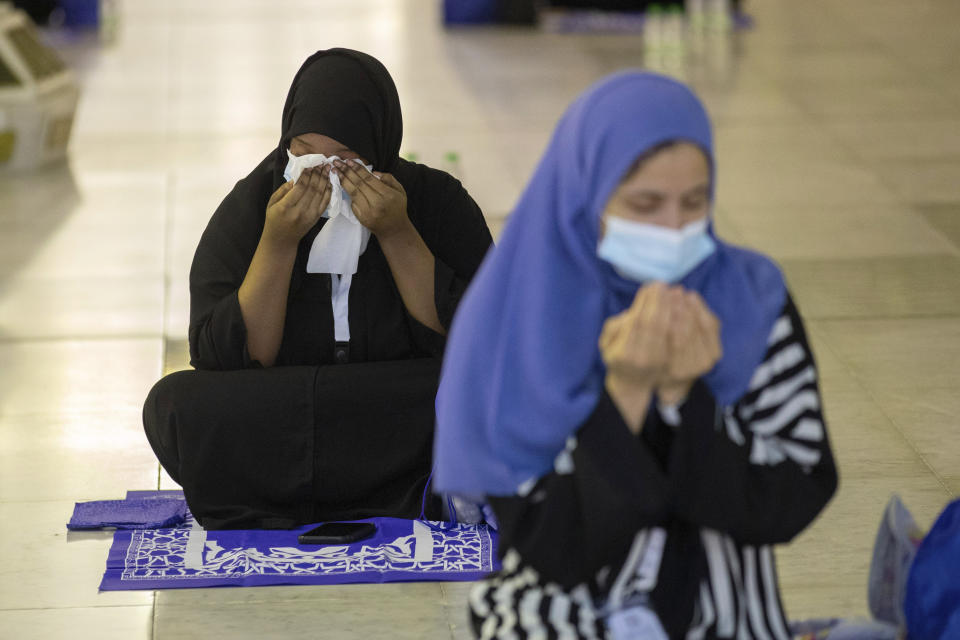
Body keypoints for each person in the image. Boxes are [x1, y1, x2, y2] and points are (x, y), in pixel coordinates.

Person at [433, 72, 838, 639]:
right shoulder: (519, 315)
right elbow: (550, 547)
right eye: (645, 204)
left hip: (727, 615)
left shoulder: (748, 298)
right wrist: (623, 397)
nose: (673, 229)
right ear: (587, 193)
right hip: (553, 616)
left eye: (694, 203)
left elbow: (794, 497)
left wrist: (684, 403)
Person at [143, 49, 492, 529]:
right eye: (305, 151)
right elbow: (225, 360)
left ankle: (433, 491)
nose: (322, 172)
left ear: (381, 148)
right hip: (281, 424)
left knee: (483, 393)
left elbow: (479, 340)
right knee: (178, 403)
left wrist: (396, 232)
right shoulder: (251, 206)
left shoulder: (436, 202)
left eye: (346, 160)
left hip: (396, 415)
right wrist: (278, 242)